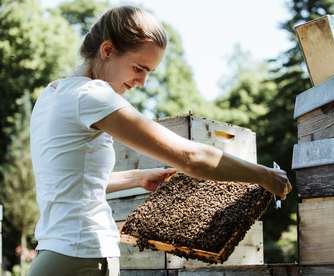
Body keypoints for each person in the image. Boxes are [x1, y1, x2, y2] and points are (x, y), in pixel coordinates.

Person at [28, 5, 292, 276]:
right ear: (107, 51)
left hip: (63, 251)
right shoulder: (92, 96)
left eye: (149, 72)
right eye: (139, 68)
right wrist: (266, 176)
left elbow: (74, 183)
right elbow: (190, 157)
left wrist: (137, 177)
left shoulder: (51, 95)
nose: (142, 81)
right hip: (79, 253)